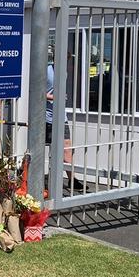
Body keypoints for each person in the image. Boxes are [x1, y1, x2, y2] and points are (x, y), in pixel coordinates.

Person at [46, 50, 86, 191]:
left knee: (67, 148)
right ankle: (24, 175)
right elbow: (37, 91)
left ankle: (72, 180)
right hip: (46, 118)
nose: (65, 63)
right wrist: (53, 97)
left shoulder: (64, 73)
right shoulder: (47, 70)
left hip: (61, 117)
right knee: (35, 149)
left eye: (67, 60)